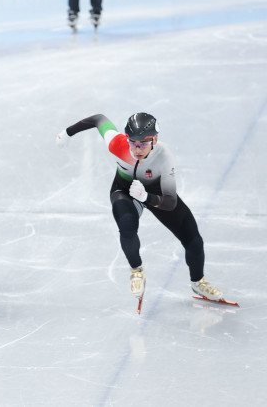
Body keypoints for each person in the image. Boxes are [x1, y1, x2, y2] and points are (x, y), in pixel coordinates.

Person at [56, 112, 226, 303]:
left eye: (143, 143)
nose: (137, 148)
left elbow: (170, 201)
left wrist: (146, 197)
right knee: (127, 224)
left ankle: (198, 282)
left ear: (154, 140)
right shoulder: (117, 144)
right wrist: (67, 132)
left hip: (157, 193)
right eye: (133, 142)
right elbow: (99, 119)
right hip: (124, 189)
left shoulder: (164, 157)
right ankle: (137, 271)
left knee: (194, 241)